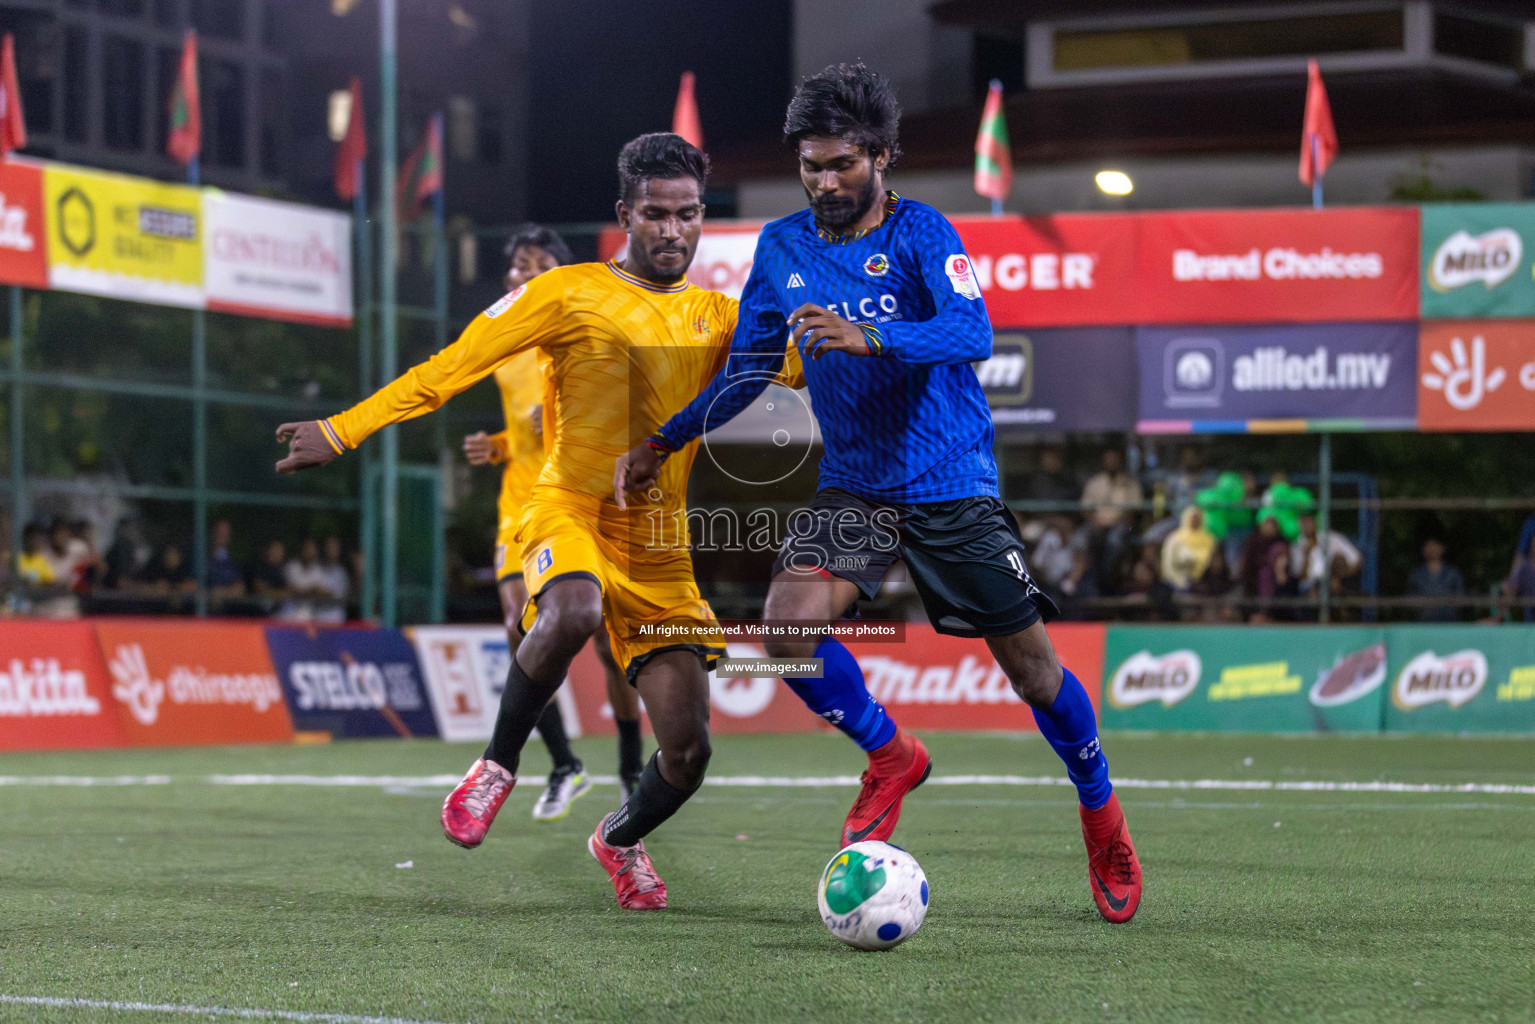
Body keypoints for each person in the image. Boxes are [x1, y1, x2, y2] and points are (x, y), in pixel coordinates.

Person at [617, 64, 1141, 924]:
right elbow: (748, 372)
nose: (825, 181)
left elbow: (971, 331)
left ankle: (1100, 813)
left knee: (1034, 672)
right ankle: (892, 754)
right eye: (811, 165)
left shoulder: (924, 232)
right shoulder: (781, 250)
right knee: (787, 632)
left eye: (843, 165)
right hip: (856, 488)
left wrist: (868, 335)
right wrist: (660, 442)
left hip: (948, 481)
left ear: (882, 156)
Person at [276, 133, 801, 911]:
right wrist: (344, 429)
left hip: (657, 547)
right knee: (572, 607)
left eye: (687, 215)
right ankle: (495, 765)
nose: (672, 231)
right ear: (625, 213)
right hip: (565, 507)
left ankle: (616, 840)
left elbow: (808, 366)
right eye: (655, 214)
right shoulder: (565, 292)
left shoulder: (721, 318)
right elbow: (450, 367)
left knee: (688, 752)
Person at [460, 223, 647, 820]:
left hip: (583, 501)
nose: (523, 272)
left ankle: (629, 766)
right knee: (520, 624)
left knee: (603, 643)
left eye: (537, 262)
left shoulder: (585, 334)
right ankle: (565, 764)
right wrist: (497, 444)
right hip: (522, 504)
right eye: (517, 264)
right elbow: (521, 430)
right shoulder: (503, 347)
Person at [1081, 447, 1143, 593]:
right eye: (1109, 460)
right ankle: (1085, 585)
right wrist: (1095, 521)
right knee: (1080, 539)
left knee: (1114, 541)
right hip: (1096, 524)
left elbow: (1134, 511)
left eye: (1114, 460)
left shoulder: (1131, 484)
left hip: (1122, 525)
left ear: (1120, 461)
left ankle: (1107, 583)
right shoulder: (1095, 482)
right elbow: (1085, 509)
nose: (1112, 463)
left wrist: (1114, 521)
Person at [1407, 537, 1463, 623]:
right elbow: (1410, 599)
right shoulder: (1416, 575)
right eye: (1428, 545)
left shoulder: (1454, 574)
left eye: (1435, 545)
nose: (1432, 549)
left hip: (1450, 622)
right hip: (1424, 623)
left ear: (1443, 548)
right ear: (1423, 549)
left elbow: (1460, 598)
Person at [1160, 506, 1216, 592]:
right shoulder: (1175, 538)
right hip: (1178, 577)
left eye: (1197, 518)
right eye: (1192, 518)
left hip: (1203, 578)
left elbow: (1211, 560)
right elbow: (1169, 563)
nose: (1194, 521)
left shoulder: (1209, 538)